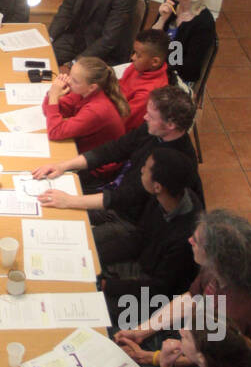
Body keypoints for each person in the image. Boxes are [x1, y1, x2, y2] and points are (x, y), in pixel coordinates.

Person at [32, 87, 201, 267]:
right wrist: (63, 165)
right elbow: (115, 149)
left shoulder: (174, 162)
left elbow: (127, 196)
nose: (145, 117)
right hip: (115, 196)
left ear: (170, 125)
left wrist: (70, 201)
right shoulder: (153, 130)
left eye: (151, 116)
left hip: (132, 222)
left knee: (73, 253)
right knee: (51, 215)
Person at [115, 209, 251, 367]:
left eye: (196, 240)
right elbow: (191, 299)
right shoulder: (218, 270)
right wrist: (142, 330)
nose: (189, 240)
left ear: (216, 255)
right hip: (193, 338)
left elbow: (205, 359)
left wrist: (151, 358)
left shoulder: (236, 313)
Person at [100, 150, 202, 328]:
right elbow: (139, 237)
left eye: (145, 169)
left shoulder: (185, 238)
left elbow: (158, 288)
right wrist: (97, 254)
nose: (141, 171)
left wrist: (109, 286)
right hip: (144, 268)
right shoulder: (163, 199)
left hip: (156, 299)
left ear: (157, 186)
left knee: (98, 307)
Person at [41, 55, 128, 160]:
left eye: (75, 81)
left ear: (92, 87)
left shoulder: (97, 110)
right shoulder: (82, 91)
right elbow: (50, 110)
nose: (69, 82)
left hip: (96, 166)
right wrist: (53, 93)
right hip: (81, 151)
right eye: (70, 76)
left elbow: (55, 132)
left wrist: (54, 96)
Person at [150, 0, 216, 86]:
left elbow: (189, 70)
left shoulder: (203, 23)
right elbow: (149, 42)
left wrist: (159, 67)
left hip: (176, 80)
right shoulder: (171, 2)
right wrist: (162, 20)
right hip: (156, 68)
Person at [119, 30, 170, 131]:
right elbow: (120, 84)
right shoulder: (140, 66)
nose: (132, 57)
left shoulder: (148, 94)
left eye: (138, 55)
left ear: (154, 62)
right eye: (134, 53)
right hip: (113, 105)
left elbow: (122, 122)